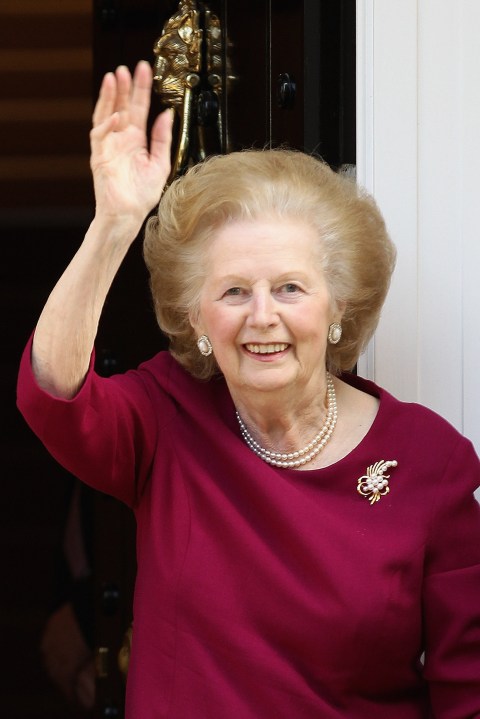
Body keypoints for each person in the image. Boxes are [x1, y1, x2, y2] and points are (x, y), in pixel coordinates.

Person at [17, 61, 480, 718]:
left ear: (338, 306)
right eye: (234, 291)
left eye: (290, 287)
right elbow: (54, 395)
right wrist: (114, 225)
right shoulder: (167, 415)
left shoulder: (428, 460)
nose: (262, 316)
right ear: (197, 319)